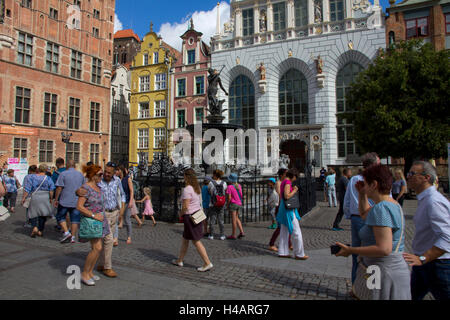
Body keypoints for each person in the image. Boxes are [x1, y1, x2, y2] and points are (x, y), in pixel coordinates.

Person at [335, 165, 411, 300]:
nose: (363, 185)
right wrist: (362, 194)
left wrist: (351, 250)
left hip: (384, 270)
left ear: (374, 184)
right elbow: (364, 214)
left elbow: (384, 248)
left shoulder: (381, 208)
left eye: (365, 183)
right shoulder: (390, 204)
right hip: (379, 268)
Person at [403, 161, 450, 300]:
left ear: (426, 177)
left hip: (437, 264)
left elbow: (447, 237)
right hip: (424, 264)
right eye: (408, 173)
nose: (408, 177)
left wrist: (423, 258)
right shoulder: (425, 199)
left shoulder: (433, 201)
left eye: (412, 174)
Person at [77, 163, 126, 278]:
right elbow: (85, 189)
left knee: (102, 242)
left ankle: (99, 265)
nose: (106, 174)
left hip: (113, 212)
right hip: (101, 215)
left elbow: (122, 195)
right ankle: (107, 267)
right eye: (104, 172)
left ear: (115, 172)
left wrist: (121, 210)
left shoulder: (117, 181)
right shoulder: (98, 182)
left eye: (109, 172)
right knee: (107, 241)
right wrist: (77, 191)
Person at [343, 152, 380, 286]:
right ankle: (371, 287)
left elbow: (346, 201)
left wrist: (350, 215)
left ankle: (355, 286)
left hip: (355, 218)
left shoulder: (354, 179)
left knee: (356, 252)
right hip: (371, 219)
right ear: (374, 165)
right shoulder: (375, 181)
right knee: (371, 255)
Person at [172, 168, 213, 272]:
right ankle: (180, 260)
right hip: (197, 215)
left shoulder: (187, 189)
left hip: (190, 217)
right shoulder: (196, 188)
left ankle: (207, 262)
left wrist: (180, 214)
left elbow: (185, 206)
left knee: (196, 241)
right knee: (185, 239)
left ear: (186, 177)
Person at [77, 165, 110, 286]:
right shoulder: (86, 188)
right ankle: (85, 273)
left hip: (100, 221)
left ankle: (89, 272)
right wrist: (93, 215)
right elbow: (79, 206)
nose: (102, 176)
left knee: (96, 248)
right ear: (93, 175)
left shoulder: (98, 187)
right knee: (97, 248)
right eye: (100, 174)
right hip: (92, 221)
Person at [276, 168, 308, 260]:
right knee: (296, 231)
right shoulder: (288, 182)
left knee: (284, 231)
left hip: (283, 208)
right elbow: (286, 196)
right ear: (293, 176)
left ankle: (283, 252)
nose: (296, 179)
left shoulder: (283, 182)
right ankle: (299, 253)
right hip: (288, 210)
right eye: (296, 177)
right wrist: (294, 190)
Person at [54, 160, 85, 244]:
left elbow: (59, 188)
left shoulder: (63, 174)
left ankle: (67, 232)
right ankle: (73, 237)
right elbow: (83, 187)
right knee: (75, 219)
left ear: (67, 165)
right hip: (76, 200)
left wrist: (56, 199)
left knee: (60, 216)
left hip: (64, 200)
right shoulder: (80, 175)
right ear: (74, 166)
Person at [22, 164, 56, 238]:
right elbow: (51, 189)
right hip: (45, 196)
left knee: (33, 212)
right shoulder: (48, 178)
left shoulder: (33, 177)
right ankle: (40, 230)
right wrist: (51, 198)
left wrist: (24, 198)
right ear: (46, 170)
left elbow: (27, 188)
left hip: (35, 196)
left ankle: (34, 227)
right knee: (43, 213)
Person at [116, 166, 143, 245]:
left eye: (117, 170)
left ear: (121, 170)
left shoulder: (127, 179)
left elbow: (131, 191)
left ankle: (129, 236)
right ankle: (115, 237)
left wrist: (131, 200)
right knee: (116, 219)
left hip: (127, 201)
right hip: (118, 202)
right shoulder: (117, 179)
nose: (116, 172)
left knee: (127, 219)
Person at [268, 168, 292, 252]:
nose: (287, 175)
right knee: (280, 227)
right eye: (286, 174)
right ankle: (271, 243)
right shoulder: (279, 183)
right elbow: (281, 195)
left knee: (287, 226)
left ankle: (289, 244)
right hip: (280, 206)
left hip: (284, 206)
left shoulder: (285, 182)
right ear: (281, 175)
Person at [208, 170, 227, 240]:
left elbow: (209, 191)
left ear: (215, 175)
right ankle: (222, 235)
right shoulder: (224, 183)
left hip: (213, 204)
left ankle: (211, 235)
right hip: (221, 204)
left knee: (212, 220)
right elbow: (225, 191)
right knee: (221, 220)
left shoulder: (211, 183)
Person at [226, 173, 245, 240]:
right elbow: (241, 195)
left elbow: (229, 198)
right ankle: (242, 232)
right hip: (239, 204)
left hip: (233, 204)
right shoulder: (239, 186)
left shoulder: (229, 187)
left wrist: (227, 205)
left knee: (233, 220)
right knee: (237, 218)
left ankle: (233, 235)